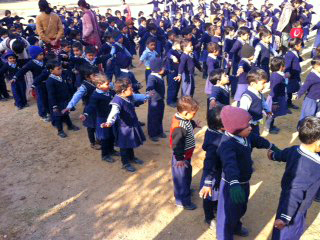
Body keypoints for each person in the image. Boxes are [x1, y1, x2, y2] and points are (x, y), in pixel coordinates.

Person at [216, 105, 280, 240]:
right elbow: (229, 164)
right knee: (227, 213)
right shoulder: (226, 144)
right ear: (236, 129)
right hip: (231, 185)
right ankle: (224, 236)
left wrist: (271, 146)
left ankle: (236, 227)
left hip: (244, 182)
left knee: (240, 208)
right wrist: (233, 182)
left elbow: (258, 140)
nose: (251, 127)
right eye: (247, 126)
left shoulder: (246, 136)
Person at [268, 116, 320, 240]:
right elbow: (294, 193)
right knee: (287, 233)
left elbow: (283, 155)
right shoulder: (307, 168)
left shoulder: (295, 149)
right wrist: (285, 217)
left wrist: (273, 155)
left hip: (293, 201)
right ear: (317, 142)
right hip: (292, 209)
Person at [101, 78, 146, 173]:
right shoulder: (117, 101)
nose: (132, 90)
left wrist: (145, 98)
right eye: (130, 88)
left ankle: (132, 158)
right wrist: (109, 122)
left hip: (131, 124)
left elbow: (135, 100)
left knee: (131, 143)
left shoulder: (128, 96)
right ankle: (125, 163)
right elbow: (114, 113)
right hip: (123, 128)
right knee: (124, 146)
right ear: (123, 91)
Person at [170, 96, 200, 210]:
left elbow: (188, 124)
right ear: (185, 113)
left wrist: (194, 124)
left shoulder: (184, 119)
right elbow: (176, 144)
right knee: (181, 178)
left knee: (186, 174)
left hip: (186, 155)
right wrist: (179, 158)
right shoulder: (179, 127)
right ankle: (182, 201)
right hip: (180, 158)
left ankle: (186, 190)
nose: (194, 115)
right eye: (193, 113)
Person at [63, 66, 100, 149]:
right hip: (90, 110)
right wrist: (69, 106)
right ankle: (93, 143)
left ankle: (99, 139)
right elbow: (76, 96)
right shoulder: (84, 87)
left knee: (99, 125)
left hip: (99, 108)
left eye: (97, 74)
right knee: (91, 127)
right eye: (94, 75)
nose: (97, 77)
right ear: (87, 77)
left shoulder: (99, 83)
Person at [199, 106, 224, 229]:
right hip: (212, 174)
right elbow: (210, 163)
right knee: (209, 195)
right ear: (221, 126)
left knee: (218, 193)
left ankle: (216, 207)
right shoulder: (214, 143)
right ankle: (209, 217)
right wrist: (207, 182)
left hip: (221, 170)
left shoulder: (214, 130)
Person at [83, 74, 118, 163]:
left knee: (111, 135)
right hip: (102, 119)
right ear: (99, 85)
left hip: (110, 118)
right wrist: (85, 114)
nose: (109, 85)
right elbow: (91, 106)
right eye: (107, 84)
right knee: (105, 137)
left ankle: (111, 150)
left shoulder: (109, 91)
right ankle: (105, 155)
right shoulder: (95, 96)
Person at [46, 61, 80, 138]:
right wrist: (54, 106)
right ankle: (60, 131)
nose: (60, 70)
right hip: (56, 102)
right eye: (58, 69)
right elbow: (51, 94)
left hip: (64, 100)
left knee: (66, 113)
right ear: (51, 71)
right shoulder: (50, 81)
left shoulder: (61, 76)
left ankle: (70, 126)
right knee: (58, 116)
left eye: (61, 68)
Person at [239, 68, 272, 135]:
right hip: (248, 125)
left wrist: (267, 110)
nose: (265, 85)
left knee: (256, 135)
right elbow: (242, 112)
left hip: (256, 122)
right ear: (253, 84)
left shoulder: (259, 93)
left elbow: (263, 103)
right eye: (263, 83)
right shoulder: (247, 96)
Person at [265, 57, 289, 134]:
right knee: (271, 114)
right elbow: (273, 90)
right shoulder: (276, 77)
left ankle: (271, 126)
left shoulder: (277, 74)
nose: (285, 66)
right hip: (275, 99)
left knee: (273, 114)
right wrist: (275, 103)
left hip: (277, 97)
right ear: (281, 67)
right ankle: (268, 128)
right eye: (284, 65)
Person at [146, 57, 166, 142]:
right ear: (159, 69)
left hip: (160, 99)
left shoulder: (159, 74)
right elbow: (150, 85)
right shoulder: (151, 77)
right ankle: (152, 134)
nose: (164, 68)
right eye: (163, 67)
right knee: (153, 117)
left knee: (160, 115)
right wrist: (150, 89)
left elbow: (167, 71)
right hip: (154, 101)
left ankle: (159, 131)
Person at [285, 38, 303, 110]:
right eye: (300, 45)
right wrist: (287, 72)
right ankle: (287, 104)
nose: (301, 46)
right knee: (289, 90)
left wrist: (300, 59)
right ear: (295, 46)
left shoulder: (295, 52)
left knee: (291, 89)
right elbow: (287, 65)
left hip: (295, 74)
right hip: (291, 75)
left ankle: (289, 103)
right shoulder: (290, 54)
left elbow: (297, 58)